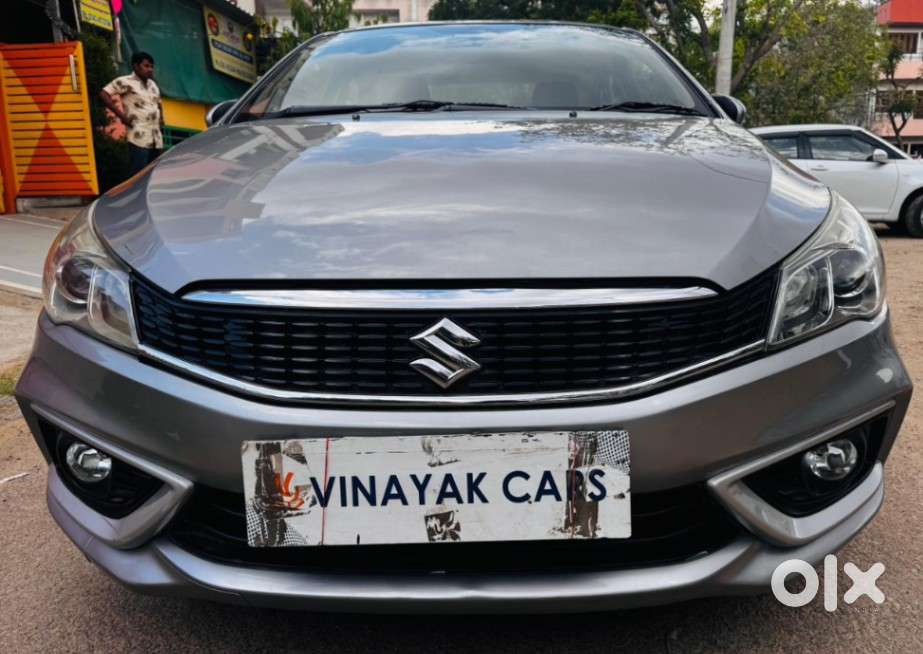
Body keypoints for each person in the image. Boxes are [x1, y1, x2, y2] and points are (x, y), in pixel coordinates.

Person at [100, 52, 164, 177]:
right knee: (137, 177)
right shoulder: (125, 81)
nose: (150, 69)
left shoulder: (153, 85)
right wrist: (122, 117)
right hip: (138, 138)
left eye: (151, 66)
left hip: (156, 138)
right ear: (135, 66)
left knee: (153, 176)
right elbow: (104, 94)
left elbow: (158, 103)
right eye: (146, 66)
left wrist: (162, 119)